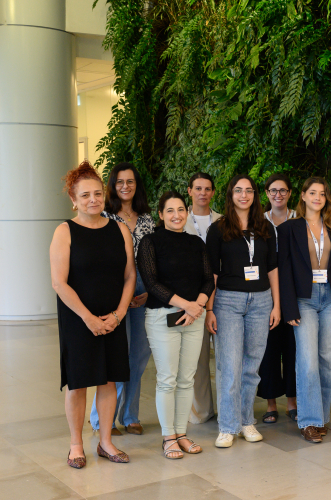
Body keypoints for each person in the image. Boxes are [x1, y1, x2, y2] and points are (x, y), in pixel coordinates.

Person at [51, 161, 135, 468]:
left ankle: (105, 442)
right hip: (78, 319)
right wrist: (88, 318)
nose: (93, 199)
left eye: (98, 193)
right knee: (78, 382)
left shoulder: (120, 229)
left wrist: (119, 314)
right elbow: (59, 282)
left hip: (112, 318)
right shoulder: (65, 231)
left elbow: (129, 275)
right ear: (74, 199)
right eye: (85, 195)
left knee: (109, 380)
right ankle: (76, 444)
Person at [205, 175, 282, 448]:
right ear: (230, 194)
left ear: (255, 195)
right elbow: (212, 272)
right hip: (228, 301)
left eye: (248, 190)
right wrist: (210, 308)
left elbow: (272, 268)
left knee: (252, 367)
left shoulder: (265, 227)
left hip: (261, 302)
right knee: (229, 366)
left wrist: (276, 305)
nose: (244, 195)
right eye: (238, 190)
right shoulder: (218, 229)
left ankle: (247, 420)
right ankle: (228, 426)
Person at [277, 177, 331, 442]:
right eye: (312, 193)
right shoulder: (289, 229)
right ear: (303, 196)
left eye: (322, 194)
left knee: (329, 360)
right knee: (308, 361)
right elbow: (284, 269)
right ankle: (308, 420)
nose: (317, 198)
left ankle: (320, 418)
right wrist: (289, 307)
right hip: (304, 299)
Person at [139, 191, 215, 459]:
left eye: (181, 209)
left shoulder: (196, 243)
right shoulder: (150, 242)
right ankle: (168, 437)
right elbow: (152, 283)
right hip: (163, 316)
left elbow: (208, 279)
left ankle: (181, 434)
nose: (176, 215)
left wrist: (198, 306)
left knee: (186, 379)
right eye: (170, 210)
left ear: (187, 212)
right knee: (167, 379)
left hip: (194, 316)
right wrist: (188, 305)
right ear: (160, 215)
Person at [90, 162, 155, 436]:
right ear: (112, 186)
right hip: (115, 289)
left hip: (145, 289)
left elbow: (155, 259)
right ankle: (102, 421)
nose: (125, 186)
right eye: (120, 182)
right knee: (116, 356)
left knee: (139, 356)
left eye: (130, 181)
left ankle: (130, 416)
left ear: (137, 185)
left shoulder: (148, 218)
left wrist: (150, 290)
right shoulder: (104, 216)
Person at [257, 173, 298, 423]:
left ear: (290, 193)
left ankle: (292, 402)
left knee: (293, 349)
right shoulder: (259, 222)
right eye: (273, 190)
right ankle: (271, 404)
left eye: (283, 190)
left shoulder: (300, 219)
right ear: (267, 193)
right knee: (269, 350)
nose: (278, 195)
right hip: (265, 293)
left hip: (294, 292)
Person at [184, 172, 221, 425]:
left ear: (213, 193)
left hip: (223, 293)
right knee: (197, 358)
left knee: (226, 356)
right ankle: (201, 412)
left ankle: (230, 408)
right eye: (198, 188)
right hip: (192, 296)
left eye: (207, 189)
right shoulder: (179, 219)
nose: (203, 193)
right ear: (189, 191)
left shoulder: (223, 221)